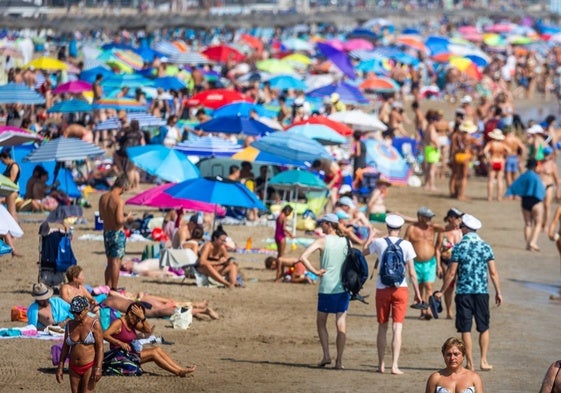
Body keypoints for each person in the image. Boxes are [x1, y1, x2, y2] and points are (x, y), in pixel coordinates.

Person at [435, 214, 502, 371]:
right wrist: (498, 291)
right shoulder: (485, 247)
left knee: (465, 328)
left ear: (466, 229)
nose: (460, 229)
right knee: (483, 327)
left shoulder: (459, 247)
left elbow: (451, 273)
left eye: (461, 226)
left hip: (463, 292)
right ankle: (484, 361)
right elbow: (493, 272)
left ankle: (470, 363)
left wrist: (442, 291)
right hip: (482, 292)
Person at [363, 214, 422, 374]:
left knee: (382, 327)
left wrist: (370, 236)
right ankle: (394, 366)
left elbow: (363, 252)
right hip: (400, 289)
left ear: (388, 227)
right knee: (398, 328)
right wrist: (417, 293)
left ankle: (380, 365)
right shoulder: (407, 245)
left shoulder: (379, 242)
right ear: (400, 228)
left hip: (382, 289)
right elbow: (412, 273)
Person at [299, 213, 349, 369]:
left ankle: (326, 355)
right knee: (341, 324)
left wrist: (315, 271)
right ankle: (339, 361)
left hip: (326, 287)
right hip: (343, 287)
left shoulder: (322, 241)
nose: (321, 225)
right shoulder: (346, 241)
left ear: (329, 224)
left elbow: (303, 257)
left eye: (322, 223)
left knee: (321, 322)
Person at [103, 302, 196, 377]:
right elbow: (105, 335)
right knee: (153, 353)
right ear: (130, 314)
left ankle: (180, 369)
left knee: (157, 349)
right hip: (120, 355)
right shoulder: (118, 323)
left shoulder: (132, 322)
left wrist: (143, 318)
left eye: (139, 319)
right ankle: (177, 372)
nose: (137, 321)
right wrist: (119, 342)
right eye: (137, 318)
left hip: (130, 353)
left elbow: (148, 330)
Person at [56, 296, 104, 393]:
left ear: (86, 310)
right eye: (73, 312)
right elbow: (65, 347)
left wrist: (98, 368)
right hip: (73, 367)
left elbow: (100, 347)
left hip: (89, 366)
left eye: (78, 313)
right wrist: (60, 367)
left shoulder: (94, 324)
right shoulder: (70, 325)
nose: (76, 315)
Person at [404, 207, 439, 320]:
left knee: (429, 286)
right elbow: (405, 244)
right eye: (427, 217)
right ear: (420, 217)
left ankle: (428, 310)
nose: (430, 219)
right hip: (416, 263)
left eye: (430, 217)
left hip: (430, 262)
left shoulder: (433, 228)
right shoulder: (411, 228)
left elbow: (445, 228)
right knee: (419, 288)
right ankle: (422, 311)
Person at [99, 174, 133, 290]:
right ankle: (114, 288)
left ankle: (106, 287)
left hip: (106, 232)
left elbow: (103, 217)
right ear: (123, 186)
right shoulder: (119, 200)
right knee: (116, 262)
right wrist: (127, 217)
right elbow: (119, 221)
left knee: (109, 261)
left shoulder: (103, 197)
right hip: (117, 233)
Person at [505, 158, 546, 251]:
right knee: (538, 223)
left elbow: (514, 186)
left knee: (528, 224)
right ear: (536, 166)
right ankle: (533, 242)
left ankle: (528, 244)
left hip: (525, 201)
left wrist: (513, 194)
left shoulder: (524, 176)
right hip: (535, 201)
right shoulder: (536, 177)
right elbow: (542, 190)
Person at [435, 208, 464, 319]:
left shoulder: (462, 231)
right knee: (448, 286)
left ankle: (460, 309)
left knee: (461, 287)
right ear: (451, 218)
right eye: (457, 217)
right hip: (446, 261)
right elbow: (437, 249)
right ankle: (449, 311)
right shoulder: (443, 232)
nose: (459, 220)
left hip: (460, 262)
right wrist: (438, 265)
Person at [482, 129, 511, 202]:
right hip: (500, 161)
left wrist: (488, 159)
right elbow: (509, 151)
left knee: (491, 180)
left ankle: (490, 197)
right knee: (500, 180)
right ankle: (499, 197)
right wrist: (504, 157)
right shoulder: (502, 144)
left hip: (493, 160)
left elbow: (485, 151)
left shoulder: (491, 143)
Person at [539, 147, 561, 231]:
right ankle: (541, 223)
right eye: (545, 154)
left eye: (548, 154)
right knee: (540, 205)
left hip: (549, 185)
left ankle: (546, 225)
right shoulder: (540, 163)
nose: (546, 156)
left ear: (551, 155)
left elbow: (556, 179)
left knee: (547, 205)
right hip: (540, 186)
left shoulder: (553, 165)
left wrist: (558, 191)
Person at [274, 205, 294, 281]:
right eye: (289, 212)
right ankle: (279, 275)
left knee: (279, 255)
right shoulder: (284, 217)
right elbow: (284, 228)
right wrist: (290, 234)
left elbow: (279, 229)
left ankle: (280, 274)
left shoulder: (279, 216)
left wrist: (288, 235)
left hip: (277, 236)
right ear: (287, 211)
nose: (289, 214)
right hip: (281, 238)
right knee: (281, 257)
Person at [0, 147, 20, 221]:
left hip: (12, 192)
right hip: (8, 192)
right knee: (11, 212)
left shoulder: (14, 166)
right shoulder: (9, 166)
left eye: (2, 161)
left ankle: (17, 230)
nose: (2, 163)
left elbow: (12, 180)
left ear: (7, 157)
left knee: (12, 213)